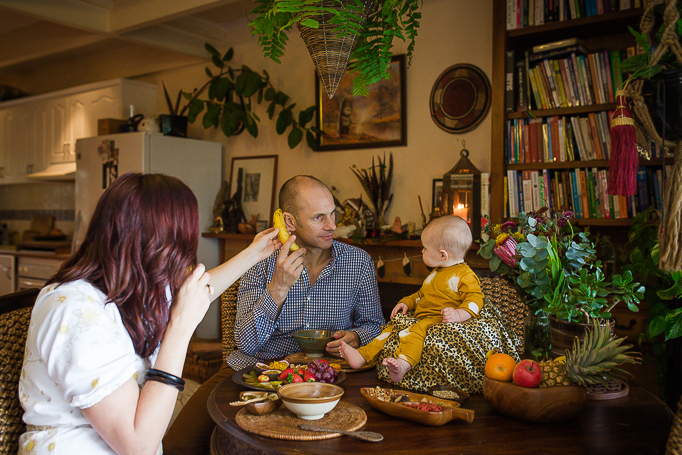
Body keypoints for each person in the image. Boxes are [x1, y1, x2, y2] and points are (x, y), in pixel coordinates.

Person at [18, 173, 282, 455]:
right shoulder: (75, 309)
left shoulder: (130, 287)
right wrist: (179, 329)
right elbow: (139, 445)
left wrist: (256, 252)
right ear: (155, 244)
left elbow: (199, 292)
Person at [164, 175, 384, 455]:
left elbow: (375, 325)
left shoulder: (358, 263)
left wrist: (354, 336)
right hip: (251, 370)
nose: (333, 226)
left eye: (333, 214)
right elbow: (245, 343)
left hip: (326, 379)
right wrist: (277, 288)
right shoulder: (260, 260)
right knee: (179, 445)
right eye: (319, 217)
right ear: (290, 222)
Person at [340, 215, 484, 383]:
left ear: (443, 255)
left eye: (425, 249)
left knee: (417, 331)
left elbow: (476, 300)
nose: (422, 251)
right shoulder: (437, 272)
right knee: (390, 328)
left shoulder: (464, 275)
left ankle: (403, 364)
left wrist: (458, 314)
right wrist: (406, 302)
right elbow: (421, 295)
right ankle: (361, 356)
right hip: (422, 316)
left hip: (437, 319)